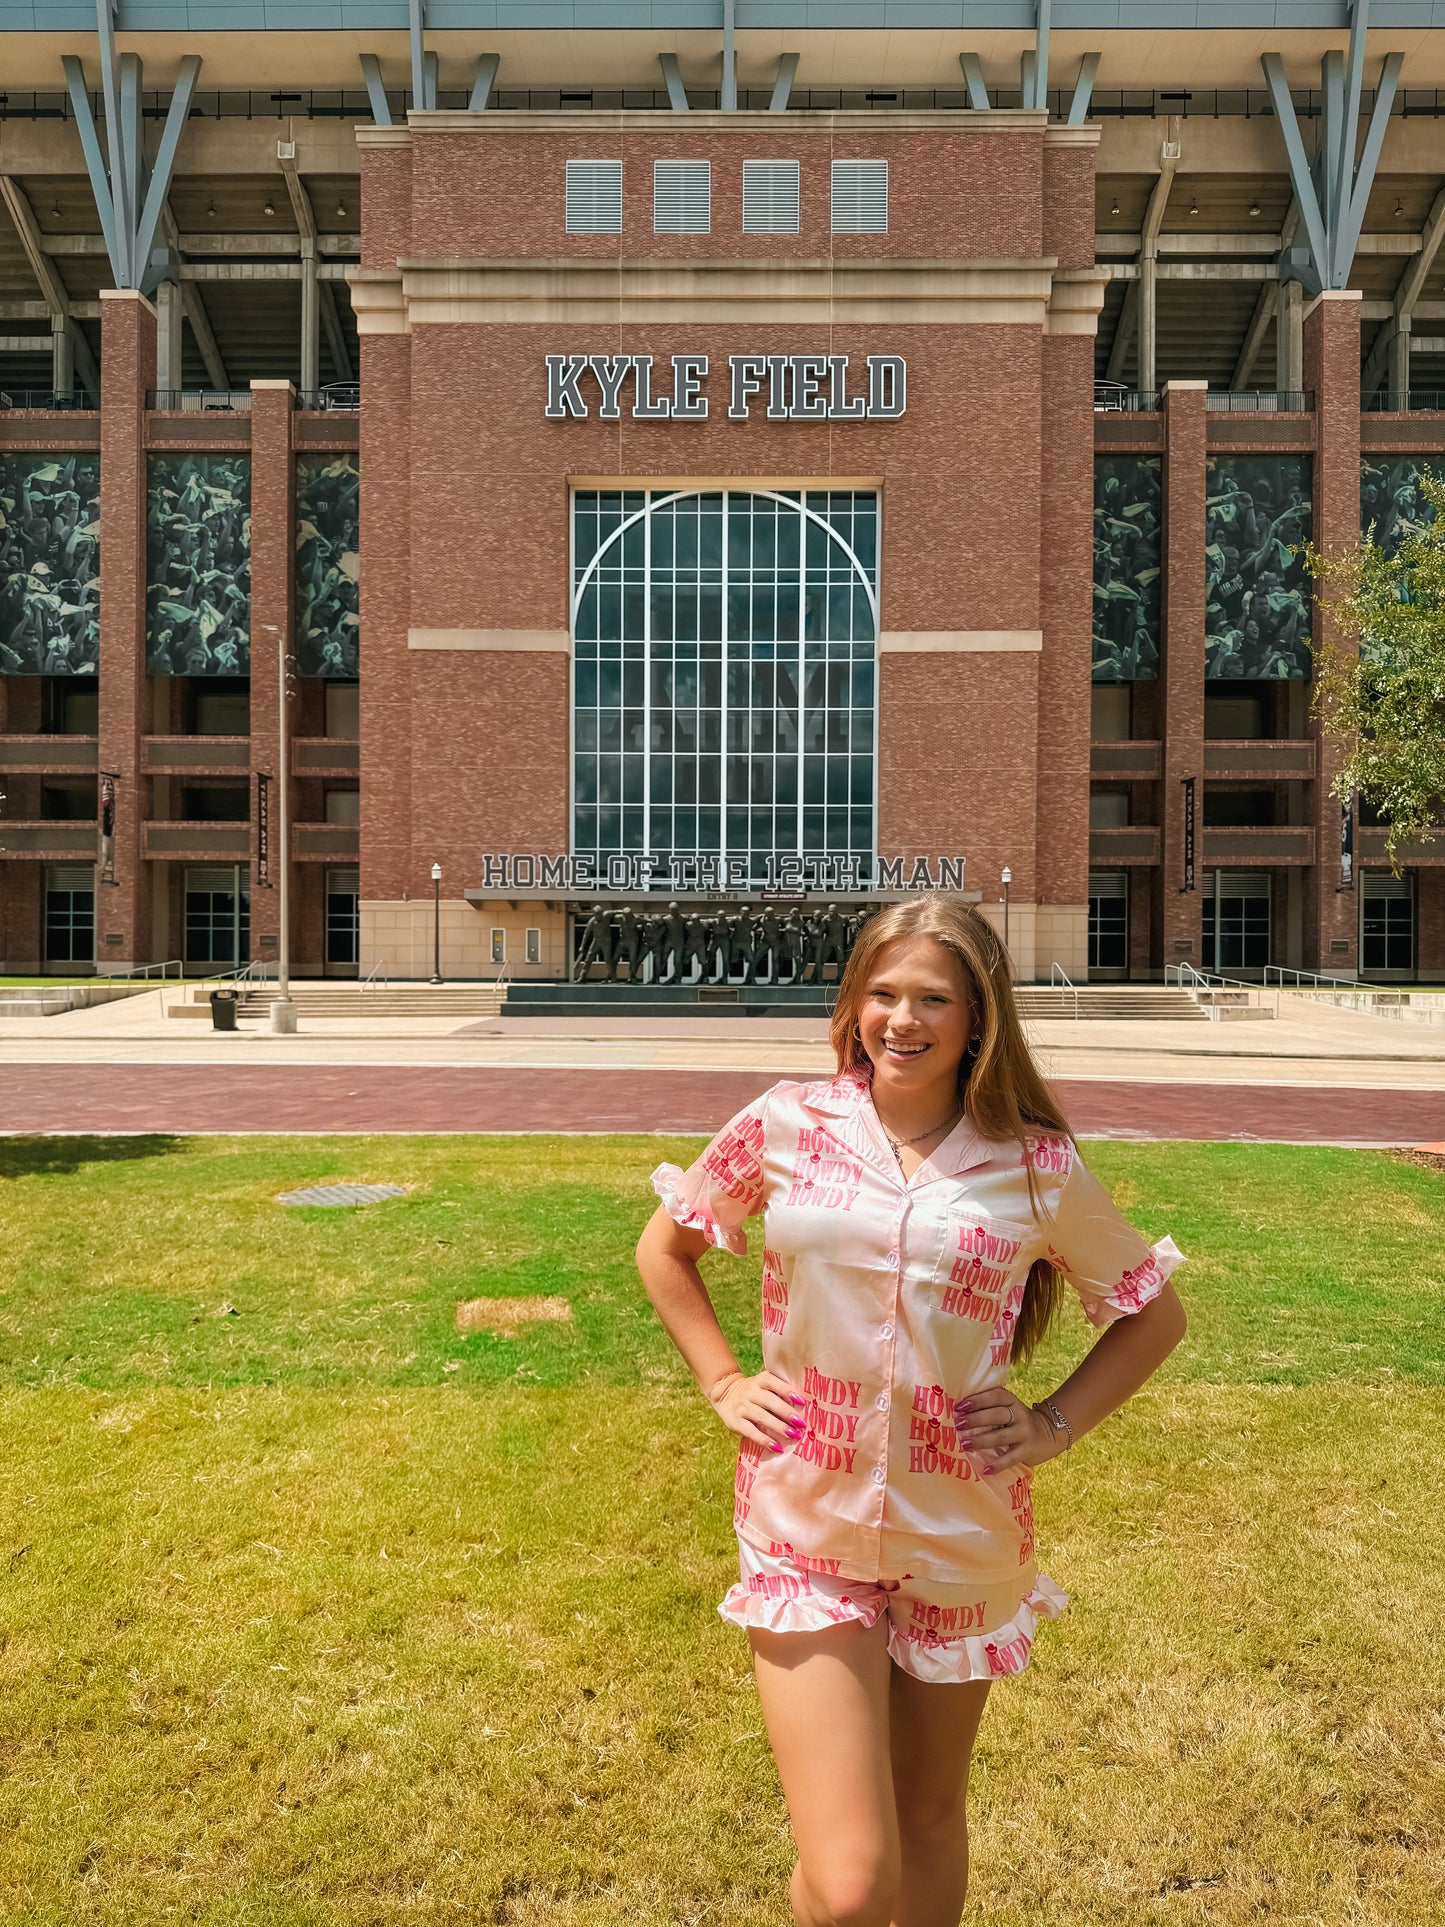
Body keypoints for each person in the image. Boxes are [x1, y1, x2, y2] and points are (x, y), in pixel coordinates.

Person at [635, 896, 1186, 1927]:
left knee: (927, 1820)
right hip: (807, 1517)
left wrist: (1051, 1423)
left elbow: (1150, 1316)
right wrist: (720, 1381)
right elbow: (663, 1249)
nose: (902, 1019)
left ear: (976, 1016)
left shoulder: (1032, 1164)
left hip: (959, 1527)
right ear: (852, 1004)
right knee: (848, 1886)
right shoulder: (785, 1122)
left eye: (932, 996)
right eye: (882, 993)